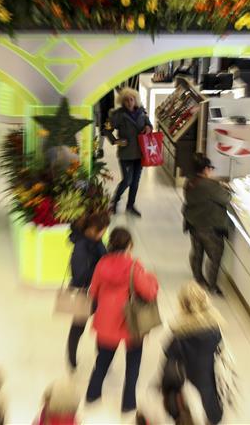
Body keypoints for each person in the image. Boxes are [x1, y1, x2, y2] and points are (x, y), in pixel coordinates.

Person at [86, 227, 159, 414]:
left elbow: (93, 291)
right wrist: (151, 278)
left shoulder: (102, 264)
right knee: (133, 364)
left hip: (105, 320)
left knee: (102, 360)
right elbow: (149, 292)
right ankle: (128, 403)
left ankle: (92, 394)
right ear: (129, 245)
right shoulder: (134, 266)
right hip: (131, 322)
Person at [164, 282, 225, 424]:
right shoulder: (215, 329)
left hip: (188, 384)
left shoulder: (180, 334)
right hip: (209, 379)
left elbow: (169, 358)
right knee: (211, 409)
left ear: (183, 306)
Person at [182, 154, 231, 295]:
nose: (211, 171)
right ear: (204, 169)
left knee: (197, 252)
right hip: (210, 225)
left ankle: (198, 278)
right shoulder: (210, 185)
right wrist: (225, 188)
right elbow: (226, 198)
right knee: (215, 256)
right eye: (210, 168)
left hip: (193, 223)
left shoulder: (190, 181)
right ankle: (212, 286)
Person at [66, 212, 109, 370]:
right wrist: (99, 270)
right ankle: (71, 359)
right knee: (78, 328)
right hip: (84, 293)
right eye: (102, 230)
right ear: (92, 230)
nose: (103, 233)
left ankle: (102, 358)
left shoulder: (96, 242)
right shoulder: (81, 247)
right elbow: (79, 275)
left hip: (99, 292)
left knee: (103, 325)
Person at [104, 88, 152, 217]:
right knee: (127, 180)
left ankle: (130, 206)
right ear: (122, 101)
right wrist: (116, 141)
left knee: (135, 182)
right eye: (126, 100)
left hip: (140, 153)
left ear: (135, 100)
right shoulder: (117, 115)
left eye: (131, 99)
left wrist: (148, 128)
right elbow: (106, 129)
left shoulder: (142, 112)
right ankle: (114, 202)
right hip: (126, 154)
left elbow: (149, 125)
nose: (129, 102)